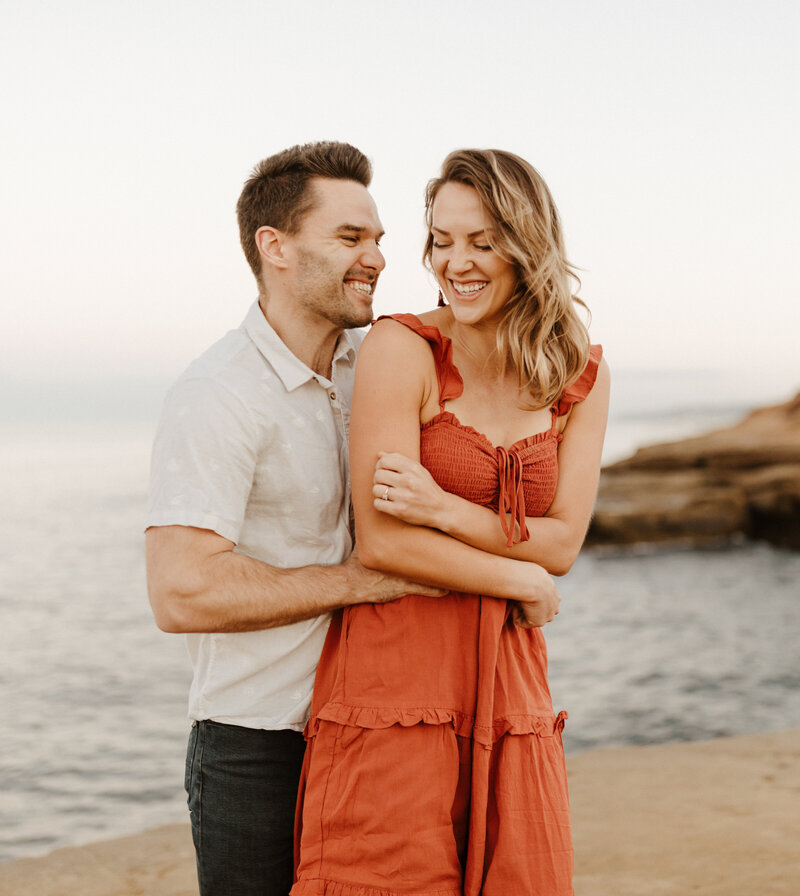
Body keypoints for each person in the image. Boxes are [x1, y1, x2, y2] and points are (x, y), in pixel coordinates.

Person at [292, 149, 610, 895]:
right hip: (397, 675)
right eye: (441, 240)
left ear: (527, 245)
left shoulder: (576, 372)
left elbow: (564, 543)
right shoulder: (403, 348)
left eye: (482, 241)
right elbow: (382, 539)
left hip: (512, 678)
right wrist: (514, 574)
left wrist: (442, 508)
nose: (455, 263)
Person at [144, 141, 445, 896]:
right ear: (273, 247)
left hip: (381, 730)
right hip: (258, 746)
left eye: (378, 239)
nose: (377, 257)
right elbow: (183, 593)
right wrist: (360, 582)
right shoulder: (218, 393)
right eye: (350, 238)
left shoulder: (381, 364)